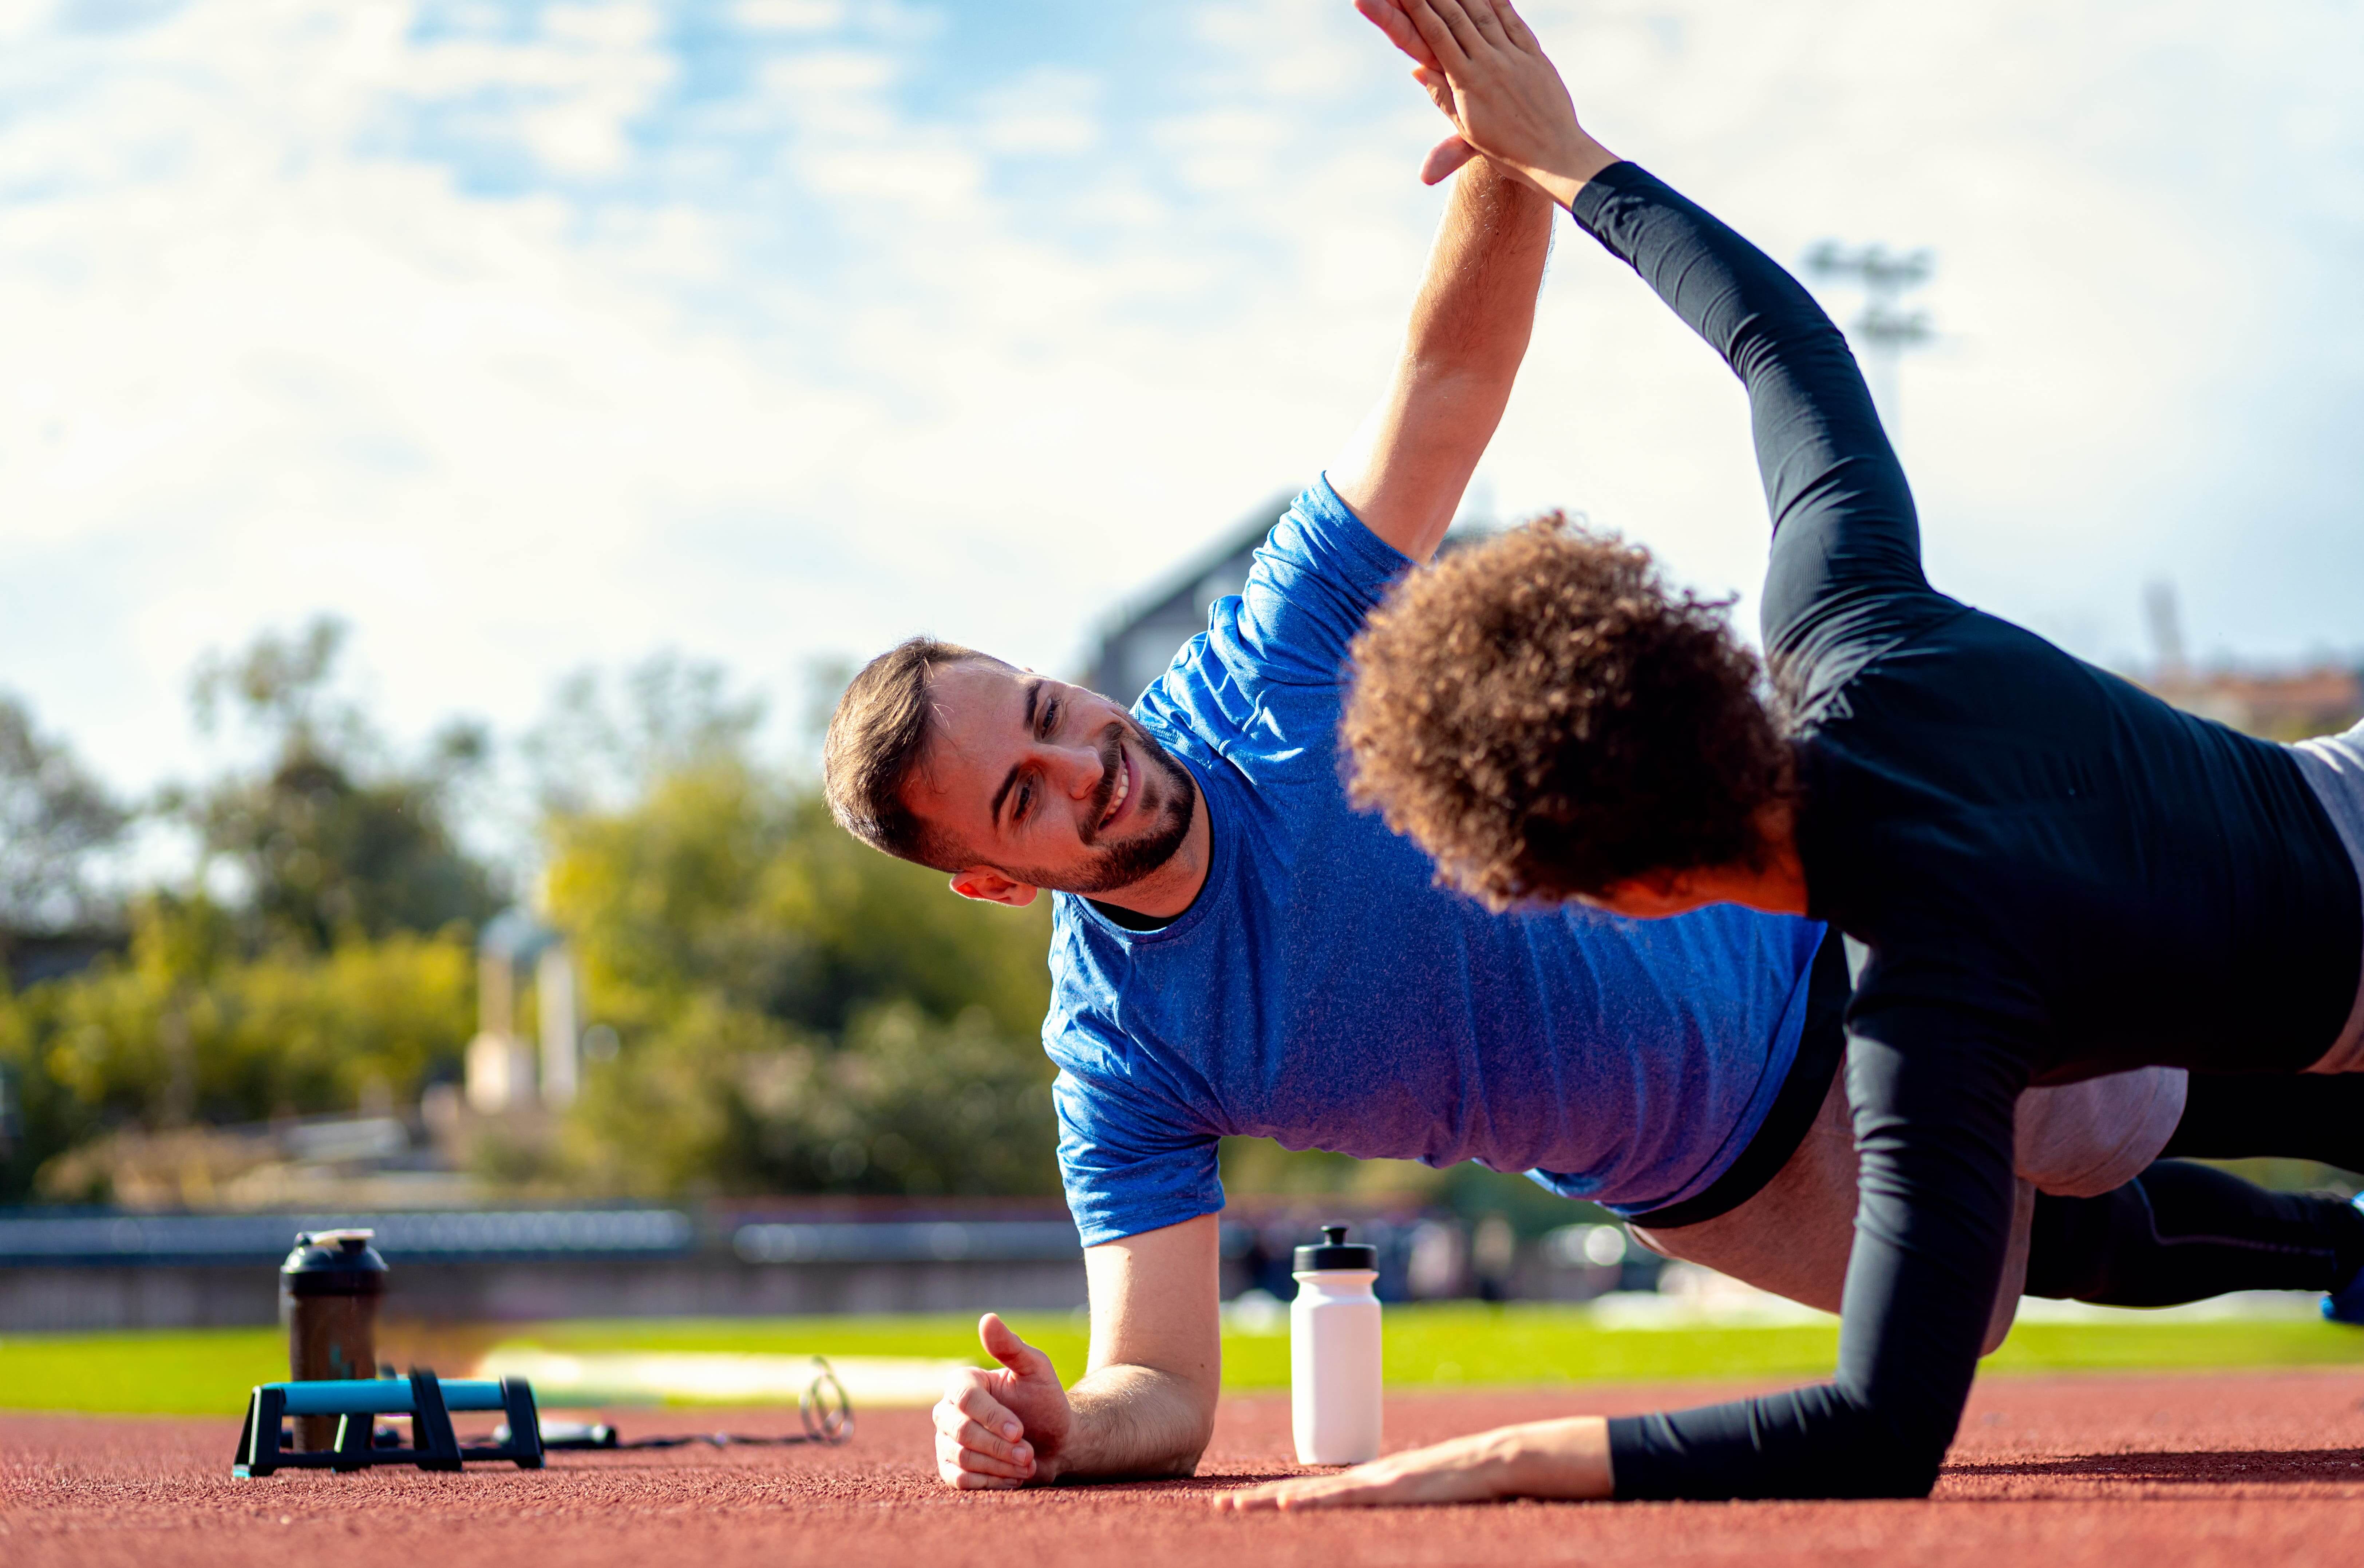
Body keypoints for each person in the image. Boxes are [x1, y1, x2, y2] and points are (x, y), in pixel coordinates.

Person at [817, 111, 2364, 1495]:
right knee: (2028, 1261)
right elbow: (1159, 1380)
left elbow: (1445, 383)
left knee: (2145, 1075)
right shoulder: (1121, 1049)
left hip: (1812, 927)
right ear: (994, 881)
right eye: (1023, 797)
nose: (1083, 762)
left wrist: (1506, 133)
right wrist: (1060, 1428)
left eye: (1047, 712)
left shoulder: (1257, 663)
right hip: (1711, 1170)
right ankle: (2340, 1250)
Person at [1318, 0, 2364, 1506]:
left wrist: (1501, 1462)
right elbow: (1780, 344)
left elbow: (1880, 1433)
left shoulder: (1928, 1010)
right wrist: (1564, 155)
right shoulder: (1850, 617)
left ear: (1644, 891)